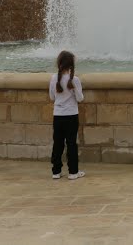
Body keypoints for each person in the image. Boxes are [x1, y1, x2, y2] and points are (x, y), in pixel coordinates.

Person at [49, 50, 85, 180]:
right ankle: (73, 172)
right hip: (71, 115)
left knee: (57, 143)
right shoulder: (74, 80)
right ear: (71, 65)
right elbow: (80, 98)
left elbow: (52, 96)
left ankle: (56, 171)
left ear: (59, 63)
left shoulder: (53, 79)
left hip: (58, 115)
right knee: (71, 143)